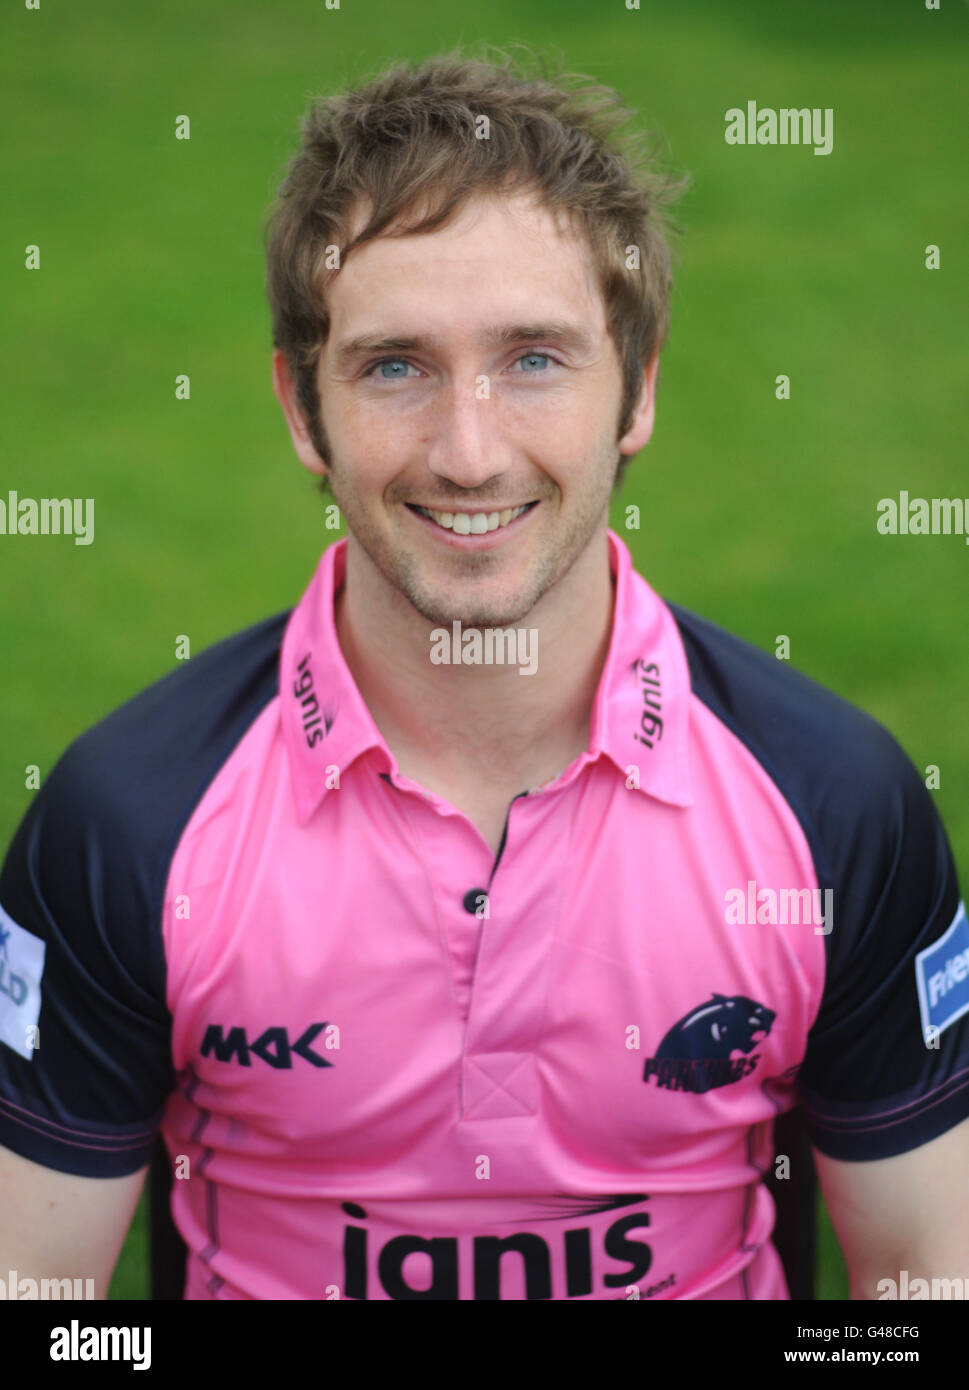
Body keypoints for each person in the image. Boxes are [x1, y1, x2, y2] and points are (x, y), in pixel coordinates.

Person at [1, 49, 967, 1302]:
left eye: (535, 359)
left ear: (638, 389)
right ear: (304, 409)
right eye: (396, 365)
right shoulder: (126, 823)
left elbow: (921, 1288)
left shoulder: (838, 806)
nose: (468, 451)